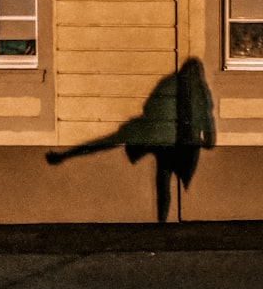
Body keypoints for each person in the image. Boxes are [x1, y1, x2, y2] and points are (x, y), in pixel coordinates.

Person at [46, 58, 215, 222]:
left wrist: (157, 124)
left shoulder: (168, 83)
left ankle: (162, 218)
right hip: (179, 143)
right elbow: (207, 119)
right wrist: (206, 139)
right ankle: (164, 219)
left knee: (159, 178)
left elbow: (148, 106)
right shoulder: (201, 90)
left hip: (157, 139)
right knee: (166, 177)